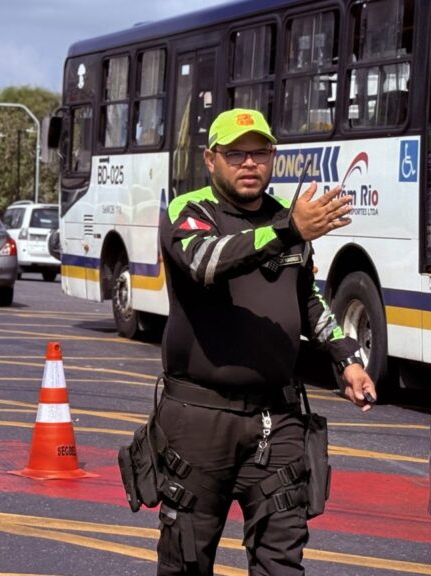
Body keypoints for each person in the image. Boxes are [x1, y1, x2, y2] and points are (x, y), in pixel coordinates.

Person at [155, 108, 376, 575]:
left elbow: (307, 297)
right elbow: (207, 263)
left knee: (282, 557)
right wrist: (287, 231)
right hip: (200, 417)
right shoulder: (189, 211)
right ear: (210, 159)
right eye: (236, 153)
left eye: (260, 152)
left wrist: (346, 358)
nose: (249, 163)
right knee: (186, 559)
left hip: (278, 418)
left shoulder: (284, 218)